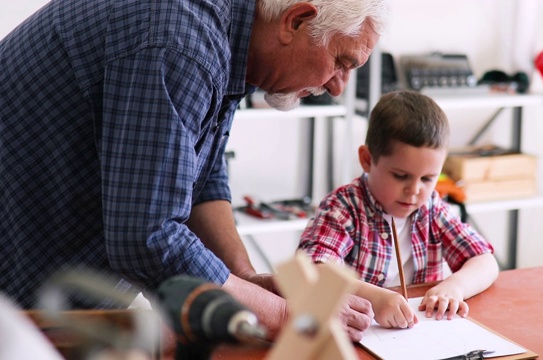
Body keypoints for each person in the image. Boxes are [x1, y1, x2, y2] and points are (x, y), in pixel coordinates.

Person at [0, 0, 388, 341]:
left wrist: (246, 279)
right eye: (341, 61)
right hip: (20, 278)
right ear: (296, 21)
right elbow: (147, 235)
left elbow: (201, 175)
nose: (339, 87)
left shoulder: (233, 37)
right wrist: (286, 316)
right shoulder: (182, 42)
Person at [298, 90, 499, 329]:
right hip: (356, 337)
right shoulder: (344, 208)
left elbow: (485, 261)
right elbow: (312, 270)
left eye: (427, 178)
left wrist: (454, 287)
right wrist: (373, 297)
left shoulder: (431, 208)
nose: (414, 190)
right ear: (366, 159)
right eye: (400, 176)